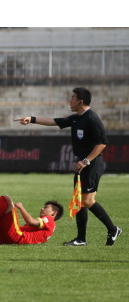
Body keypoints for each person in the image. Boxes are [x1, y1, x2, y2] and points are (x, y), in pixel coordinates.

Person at [15, 87, 122, 246]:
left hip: (91, 164)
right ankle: (81, 239)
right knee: (79, 200)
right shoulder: (76, 118)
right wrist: (31, 119)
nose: (69, 101)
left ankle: (113, 229)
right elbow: (53, 121)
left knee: (87, 200)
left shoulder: (92, 118)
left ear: (80, 101)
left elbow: (102, 143)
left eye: (72, 98)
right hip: (82, 164)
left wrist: (86, 161)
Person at [0, 196, 64, 245]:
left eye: (46, 207)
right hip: (4, 239)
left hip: (16, 238)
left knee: (7, 199)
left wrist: (21, 207)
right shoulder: (47, 225)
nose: (42, 209)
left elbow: (31, 222)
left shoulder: (50, 220)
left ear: (54, 213)